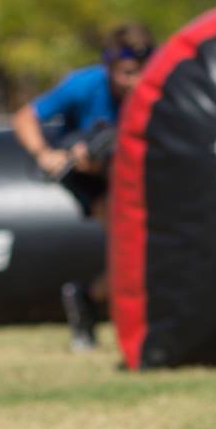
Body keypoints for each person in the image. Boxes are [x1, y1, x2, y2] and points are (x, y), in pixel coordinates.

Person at [11, 23, 155, 350]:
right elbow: (24, 118)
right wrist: (45, 154)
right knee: (136, 251)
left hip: (135, 174)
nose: (136, 82)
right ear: (110, 68)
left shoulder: (158, 88)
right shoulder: (84, 85)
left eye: (142, 72)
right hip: (93, 178)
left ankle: (87, 298)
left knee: (143, 254)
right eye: (128, 73)